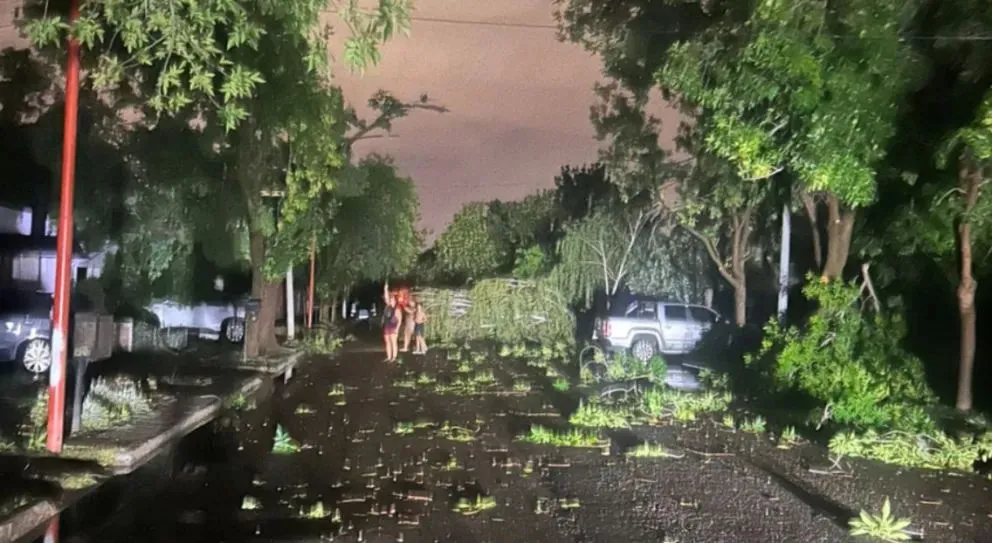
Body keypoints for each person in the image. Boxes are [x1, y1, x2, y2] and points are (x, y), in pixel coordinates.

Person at [382, 282, 402, 362]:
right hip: (387, 325)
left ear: (395, 300)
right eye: (390, 300)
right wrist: (385, 289)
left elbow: (399, 320)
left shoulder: (397, 308)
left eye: (392, 300)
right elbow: (386, 297)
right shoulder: (388, 306)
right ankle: (388, 357)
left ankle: (394, 357)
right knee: (387, 342)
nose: (391, 301)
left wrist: (397, 328)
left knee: (393, 342)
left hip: (394, 326)